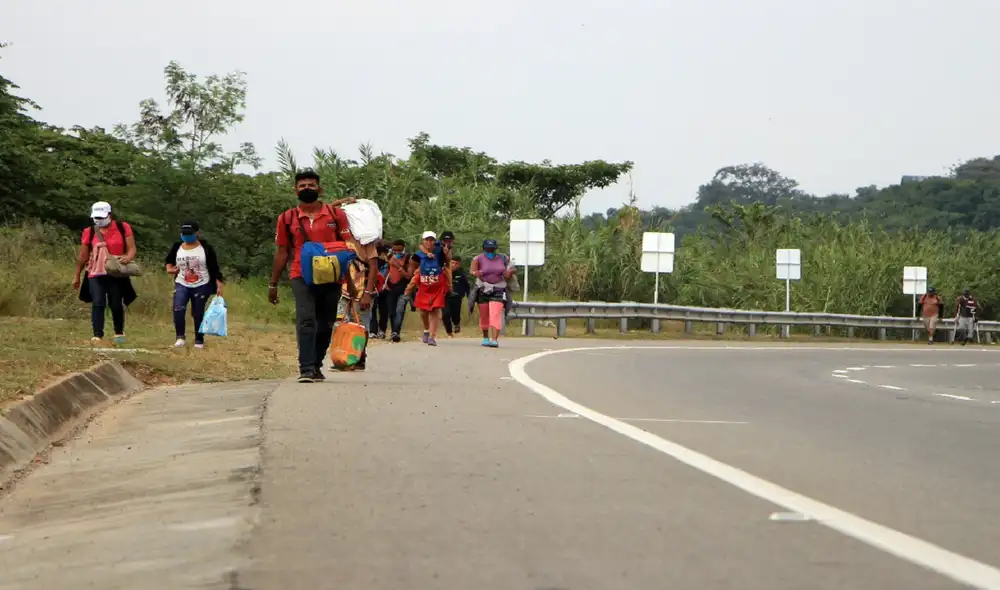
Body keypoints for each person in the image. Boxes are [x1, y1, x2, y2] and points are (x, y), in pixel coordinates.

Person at [268, 170, 363, 383]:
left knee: (326, 323)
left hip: (333, 276)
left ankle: (317, 363)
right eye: (302, 186)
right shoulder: (286, 218)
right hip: (301, 275)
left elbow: (347, 249)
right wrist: (272, 283)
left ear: (319, 189)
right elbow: (282, 251)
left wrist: (351, 281)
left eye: (311, 185)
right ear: (295, 191)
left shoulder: (335, 215)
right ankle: (306, 368)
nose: (307, 189)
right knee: (306, 320)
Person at [73, 201, 138, 345]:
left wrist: (127, 257)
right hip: (95, 272)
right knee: (98, 302)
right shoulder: (89, 232)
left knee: (115, 303)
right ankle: (97, 334)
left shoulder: (123, 227)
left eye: (102, 217)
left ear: (109, 215)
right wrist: (77, 275)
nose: (99, 220)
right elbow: (83, 255)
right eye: (96, 217)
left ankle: (118, 332)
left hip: (115, 272)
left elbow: (132, 248)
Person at [164, 221, 225, 348]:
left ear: (197, 233)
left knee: (198, 312)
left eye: (189, 233)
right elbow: (169, 262)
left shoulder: (206, 248)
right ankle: (180, 337)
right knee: (178, 307)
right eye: (183, 233)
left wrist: (219, 283)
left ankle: (199, 340)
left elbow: (214, 267)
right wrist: (170, 269)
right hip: (182, 282)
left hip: (202, 283)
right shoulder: (177, 246)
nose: (186, 236)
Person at [404, 231, 449, 346]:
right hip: (424, 286)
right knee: (423, 311)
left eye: (431, 240)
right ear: (423, 241)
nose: (429, 242)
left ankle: (432, 337)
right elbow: (413, 268)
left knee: (435, 310)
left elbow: (447, 254)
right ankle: (426, 329)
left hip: (437, 286)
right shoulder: (418, 255)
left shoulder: (439, 251)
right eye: (427, 240)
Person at [469, 239, 515, 348]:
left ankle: (494, 339)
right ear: (484, 248)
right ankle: (485, 338)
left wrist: (509, 272)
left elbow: (512, 268)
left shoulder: (503, 258)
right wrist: (476, 273)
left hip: (498, 288)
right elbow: (472, 271)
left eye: (492, 248)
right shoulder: (478, 259)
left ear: (496, 248)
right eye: (488, 248)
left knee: (495, 314)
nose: (490, 250)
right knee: (484, 315)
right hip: (483, 288)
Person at [383, 240, 413, 343]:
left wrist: (398, 266)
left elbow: (409, 276)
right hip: (390, 288)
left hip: (403, 289)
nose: (397, 252)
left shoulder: (409, 259)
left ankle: (396, 332)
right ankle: (393, 332)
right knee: (391, 311)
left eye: (399, 250)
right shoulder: (389, 257)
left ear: (404, 248)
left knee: (399, 311)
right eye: (395, 250)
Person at [442, 255, 470, 337]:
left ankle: (456, 323)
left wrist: (469, 297)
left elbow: (466, 285)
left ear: (459, 264)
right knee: (445, 314)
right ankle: (449, 331)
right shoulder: (444, 271)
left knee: (455, 314)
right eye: (452, 263)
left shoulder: (461, 273)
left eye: (456, 263)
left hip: (457, 297)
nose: (454, 265)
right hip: (445, 296)